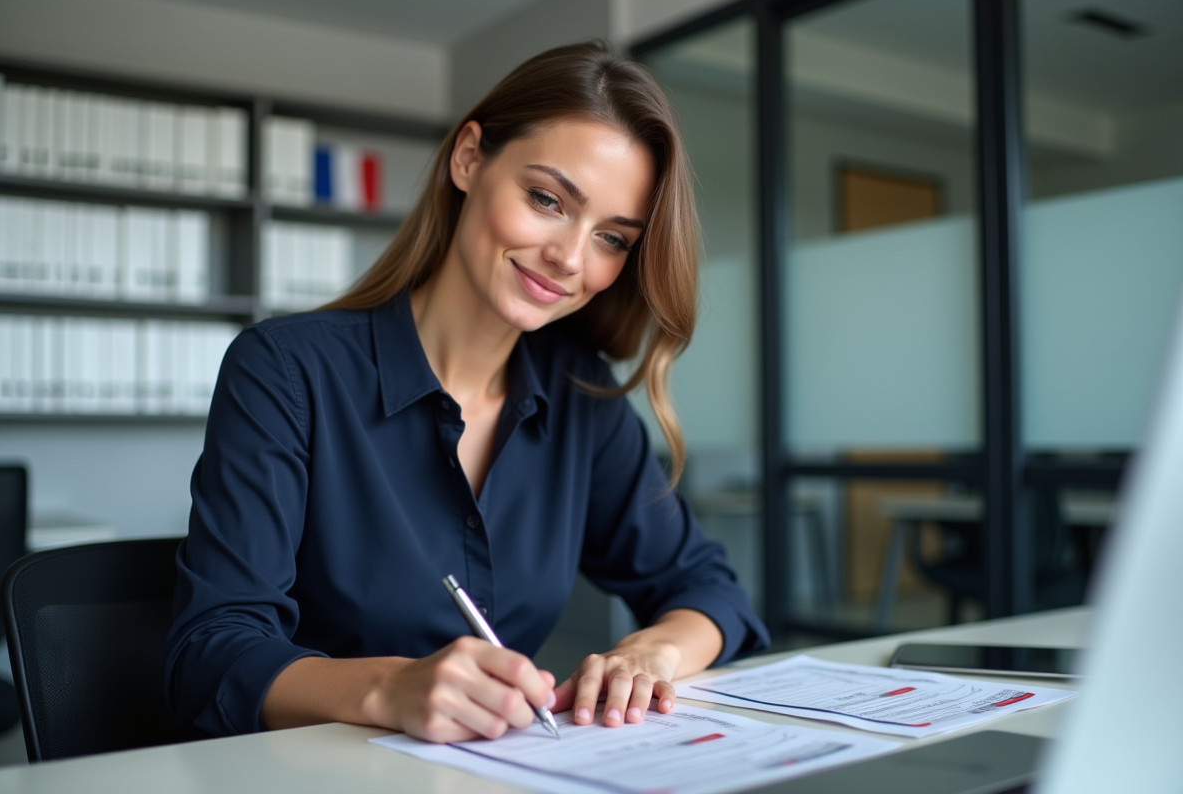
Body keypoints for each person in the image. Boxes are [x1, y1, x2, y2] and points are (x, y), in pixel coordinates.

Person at [165, 41, 769, 744]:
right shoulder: (286, 370)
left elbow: (708, 590)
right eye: (547, 200)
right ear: (468, 159)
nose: (570, 259)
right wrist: (391, 688)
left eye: (611, 237)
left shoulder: (580, 394)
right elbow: (210, 655)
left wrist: (649, 654)